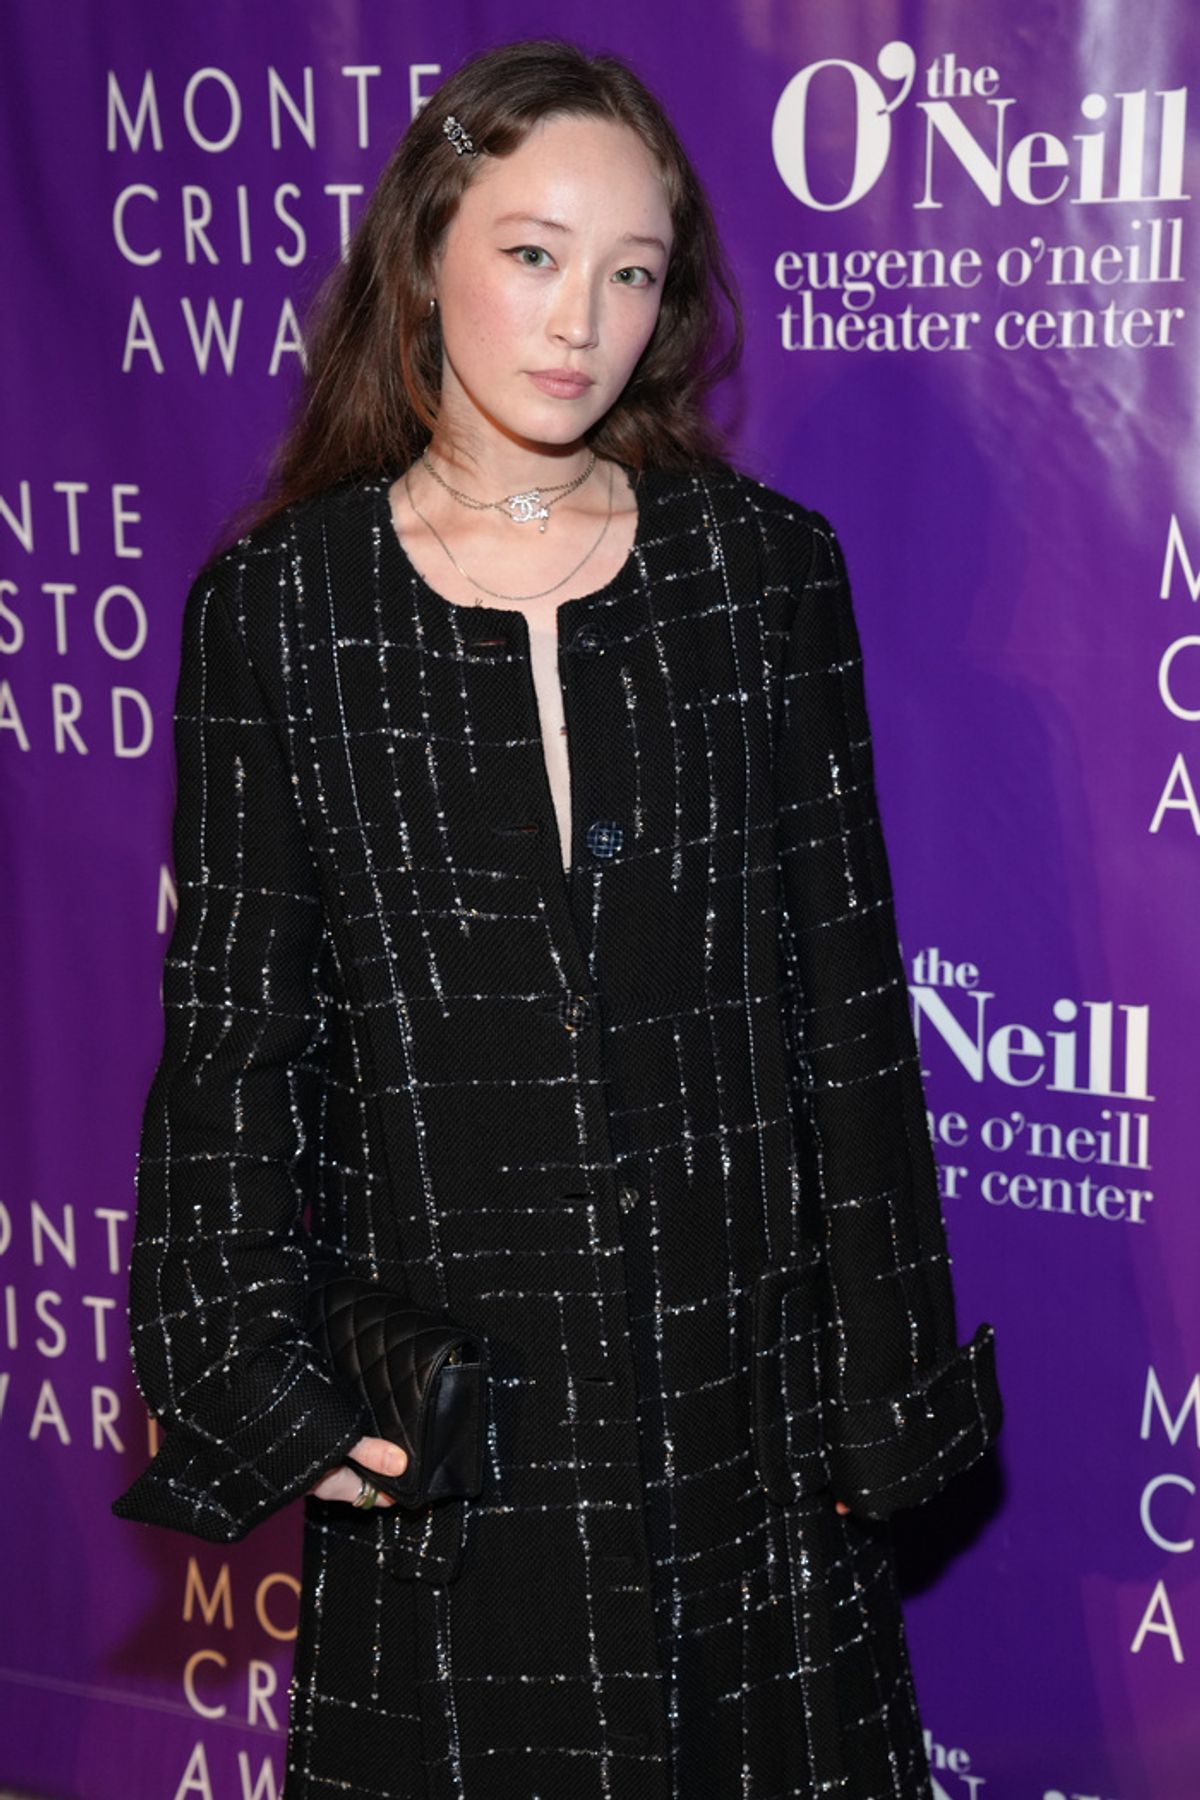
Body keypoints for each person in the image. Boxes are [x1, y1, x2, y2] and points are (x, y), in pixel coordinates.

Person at [112, 35, 1002, 1800]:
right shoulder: (280, 609)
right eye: (531, 251)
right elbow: (233, 1048)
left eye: (631, 270)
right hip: (462, 1453)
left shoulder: (763, 579)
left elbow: (846, 1013)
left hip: (747, 1429)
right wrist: (270, 1396)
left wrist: (884, 1393)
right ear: (423, 248)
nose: (579, 316)